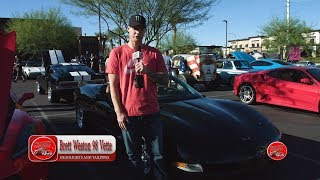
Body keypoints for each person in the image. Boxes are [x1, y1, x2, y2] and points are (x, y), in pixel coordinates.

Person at [106, 14, 169, 180]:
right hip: (129, 115)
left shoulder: (154, 54)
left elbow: (165, 81)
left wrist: (148, 71)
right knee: (132, 156)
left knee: (157, 155)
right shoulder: (117, 53)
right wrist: (119, 111)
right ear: (128, 29)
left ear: (144, 31)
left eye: (141, 28)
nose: (137, 32)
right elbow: (113, 86)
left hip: (152, 113)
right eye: (134, 28)